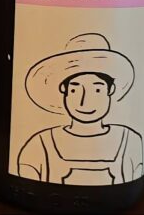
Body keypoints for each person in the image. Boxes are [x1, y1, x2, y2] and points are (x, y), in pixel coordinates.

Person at [18, 33, 143, 186]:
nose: (85, 102)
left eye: (97, 90)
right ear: (64, 90)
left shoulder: (130, 142)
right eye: (75, 90)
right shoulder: (38, 146)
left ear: (111, 90)